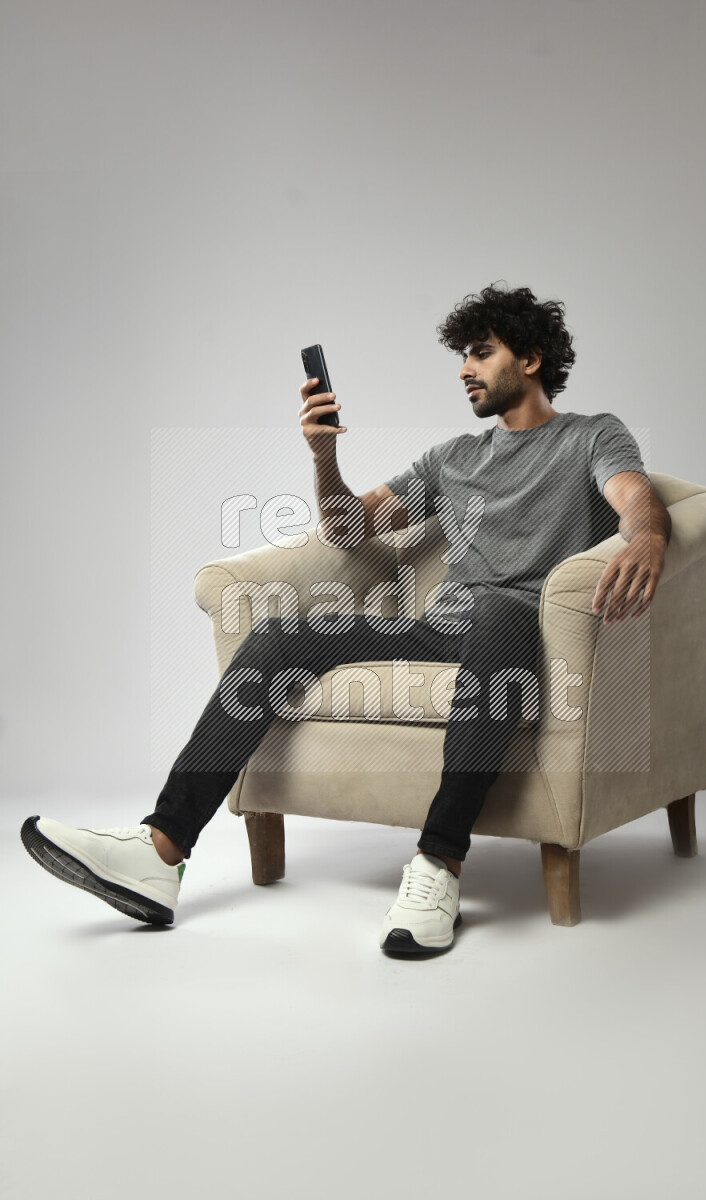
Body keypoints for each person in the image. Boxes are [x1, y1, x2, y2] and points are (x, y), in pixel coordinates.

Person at [20, 283, 671, 956]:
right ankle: (160, 851)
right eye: (462, 356)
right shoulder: (453, 458)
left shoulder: (590, 436)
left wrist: (648, 537)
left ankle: (438, 865)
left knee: (501, 609)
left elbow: (633, 496)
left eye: (481, 353)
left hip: (520, 630)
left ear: (530, 359)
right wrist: (323, 455)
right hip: (442, 627)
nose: (464, 370)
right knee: (278, 635)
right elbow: (350, 528)